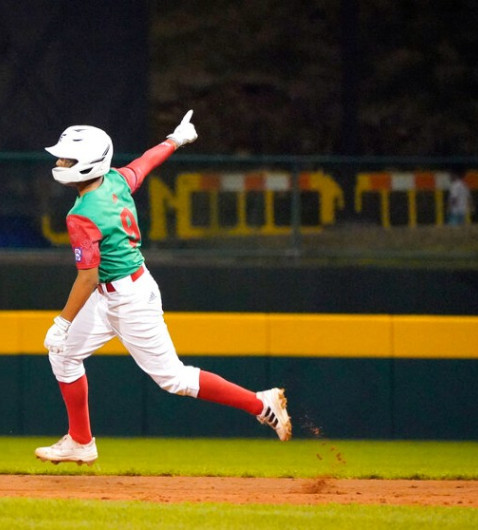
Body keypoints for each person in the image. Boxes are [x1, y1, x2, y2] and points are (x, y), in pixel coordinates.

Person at [35, 111, 292, 465]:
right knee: (63, 356)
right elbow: (145, 163)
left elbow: (87, 277)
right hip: (114, 292)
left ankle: (261, 404)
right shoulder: (115, 180)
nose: (60, 162)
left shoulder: (81, 215)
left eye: (66, 158)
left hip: (128, 299)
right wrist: (175, 139)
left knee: (174, 379)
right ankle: (81, 441)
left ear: (86, 164)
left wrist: (62, 322)